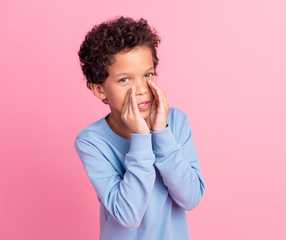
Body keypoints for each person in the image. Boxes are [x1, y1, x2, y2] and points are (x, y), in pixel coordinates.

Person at [74, 16, 205, 240]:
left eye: (148, 74)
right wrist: (141, 138)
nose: (141, 89)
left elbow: (190, 198)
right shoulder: (91, 141)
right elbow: (128, 215)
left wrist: (161, 133)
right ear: (99, 90)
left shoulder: (177, 122)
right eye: (124, 80)